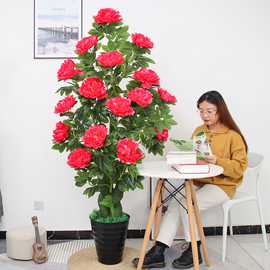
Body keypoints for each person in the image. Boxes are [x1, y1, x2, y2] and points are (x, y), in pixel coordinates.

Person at [132, 90, 248, 269]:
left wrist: (219, 161)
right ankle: (159, 251)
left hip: (224, 185)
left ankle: (194, 251)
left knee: (188, 205)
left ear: (220, 111)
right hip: (202, 182)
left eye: (210, 111)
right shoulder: (199, 131)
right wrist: (183, 157)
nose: (205, 115)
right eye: (201, 111)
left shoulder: (233, 135)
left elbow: (240, 167)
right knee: (176, 204)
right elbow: (193, 156)